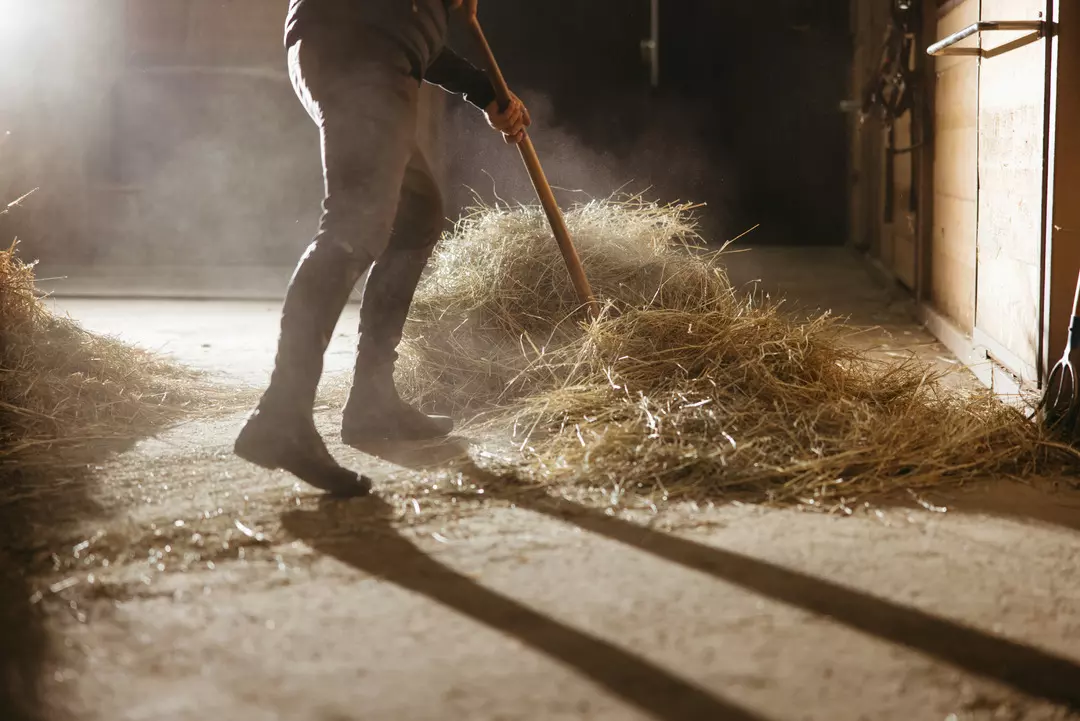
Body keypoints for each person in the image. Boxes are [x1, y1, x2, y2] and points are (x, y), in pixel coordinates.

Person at [234, 0, 531, 496]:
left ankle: (372, 399)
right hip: (358, 48)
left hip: (375, 51)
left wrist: (483, 91)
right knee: (354, 225)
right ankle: (281, 413)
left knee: (416, 217)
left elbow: (419, 37)